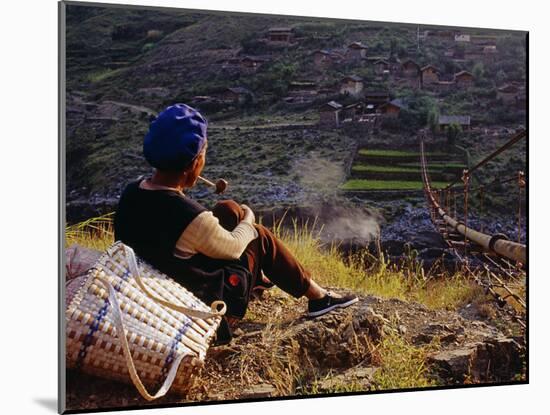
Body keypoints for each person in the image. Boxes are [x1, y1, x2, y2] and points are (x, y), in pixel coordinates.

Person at [114, 103, 358, 344]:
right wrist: (249, 220)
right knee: (259, 235)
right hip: (202, 306)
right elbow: (234, 247)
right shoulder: (188, 215)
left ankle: (259, 281)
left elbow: (174, 223)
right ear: (194, 162)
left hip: (159, 289)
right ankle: (318, 297)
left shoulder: (132, 191)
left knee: (226, 210)